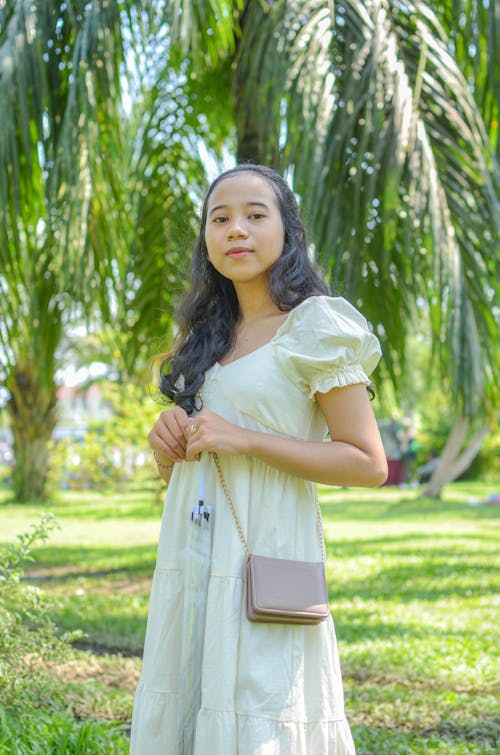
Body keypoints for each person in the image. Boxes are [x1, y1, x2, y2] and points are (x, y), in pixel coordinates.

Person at [130, 164, 388, 754]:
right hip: (191, 551)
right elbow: (195, 463)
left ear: (289, 232)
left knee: (260, 705)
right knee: (190, 693)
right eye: (219, 219)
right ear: (206, 241)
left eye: (254, 214)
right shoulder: (205, 338)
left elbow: (367, 463)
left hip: (263, 551)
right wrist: (167, 442)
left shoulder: (315, 326)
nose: (235, 230)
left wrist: (244, 438)